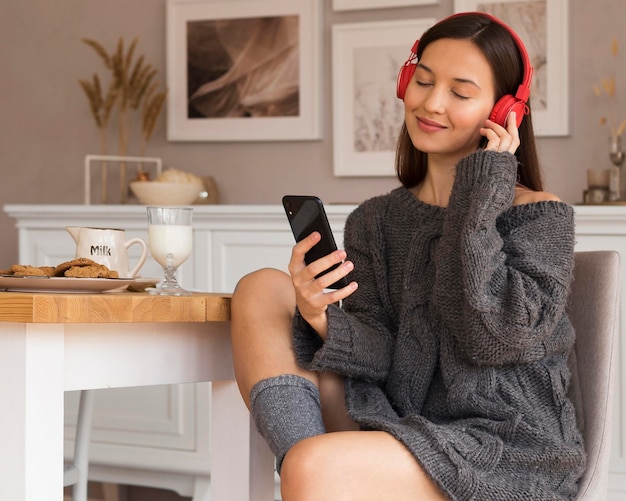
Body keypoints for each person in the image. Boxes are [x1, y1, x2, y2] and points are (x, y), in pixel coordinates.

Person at [231, 11, 585, 501]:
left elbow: (494, 340)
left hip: (504, 448)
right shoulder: (374, 220)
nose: (432, 103)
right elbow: (379, 353)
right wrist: (317, 316)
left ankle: (313, 473)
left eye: (460, 93)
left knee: (312, 465)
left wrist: (479, 197)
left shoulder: (541, 217)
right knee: (260, 288)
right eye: (422, 81)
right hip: (394, 418)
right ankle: (310, 471)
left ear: (504, 113)